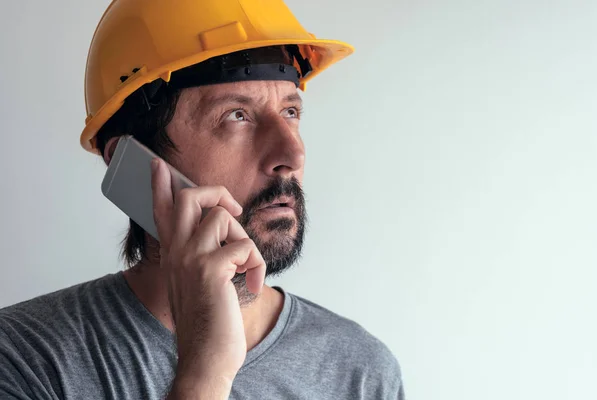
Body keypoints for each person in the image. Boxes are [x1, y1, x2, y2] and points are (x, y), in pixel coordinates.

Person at [0, 1, 404, 399]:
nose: (292, 156)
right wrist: (204, 373)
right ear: (130, 158)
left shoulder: (361, 372)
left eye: (291, 111)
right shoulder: (24, 360)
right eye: (236, 116)